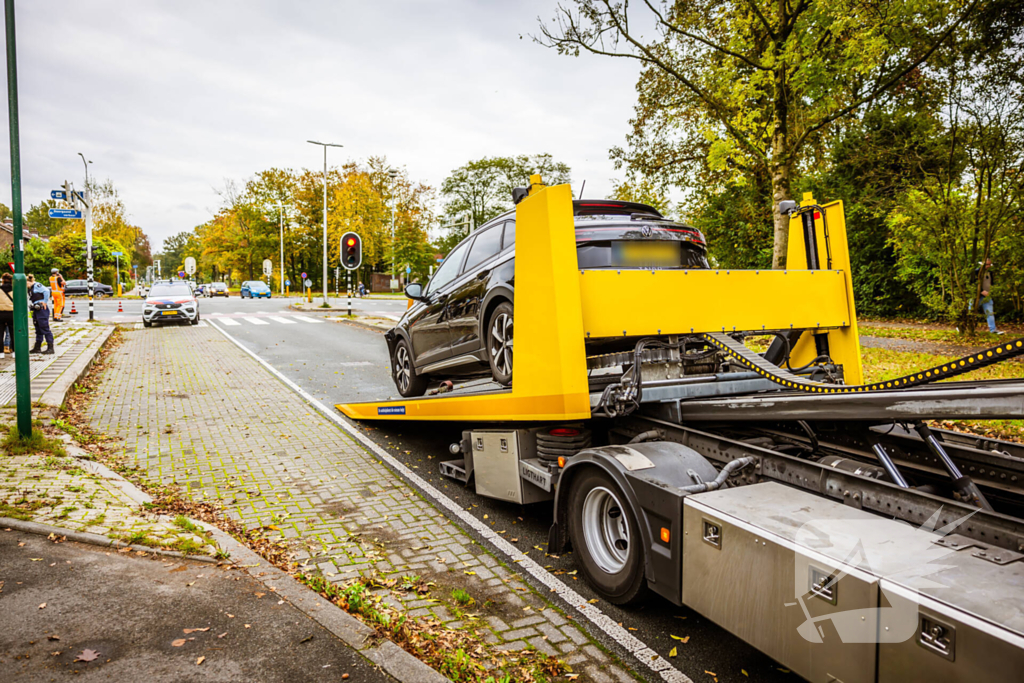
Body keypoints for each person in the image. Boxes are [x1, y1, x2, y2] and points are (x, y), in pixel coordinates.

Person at [26, 274, 54, 354]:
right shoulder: (31, 288)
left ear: (29, 282)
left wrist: (45, 302)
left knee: (44, 328)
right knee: (38, 329)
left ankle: (50, 347)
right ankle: (37, 347)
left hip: (41, 309)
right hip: (36, 309)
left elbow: (46, 291)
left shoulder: (37, 285)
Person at [975, 259, 1005, 335]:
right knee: (971, 311)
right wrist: (981, 291)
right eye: (986, 265)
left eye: (989, 265)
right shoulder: (976, 272)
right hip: (976, 296)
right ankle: (964, 327)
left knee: (990, 313)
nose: (988, 266)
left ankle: (993, 329)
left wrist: (991, 291)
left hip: (987, 296)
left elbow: (991, 283)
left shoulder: (990, 273)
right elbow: (973, 283)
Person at [0, 273, 14, 359]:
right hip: (12, 313)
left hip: (0, 313)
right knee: (13, 333)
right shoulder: (15, 289)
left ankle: (1, 353)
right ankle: (14, 352)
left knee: (0, 334)